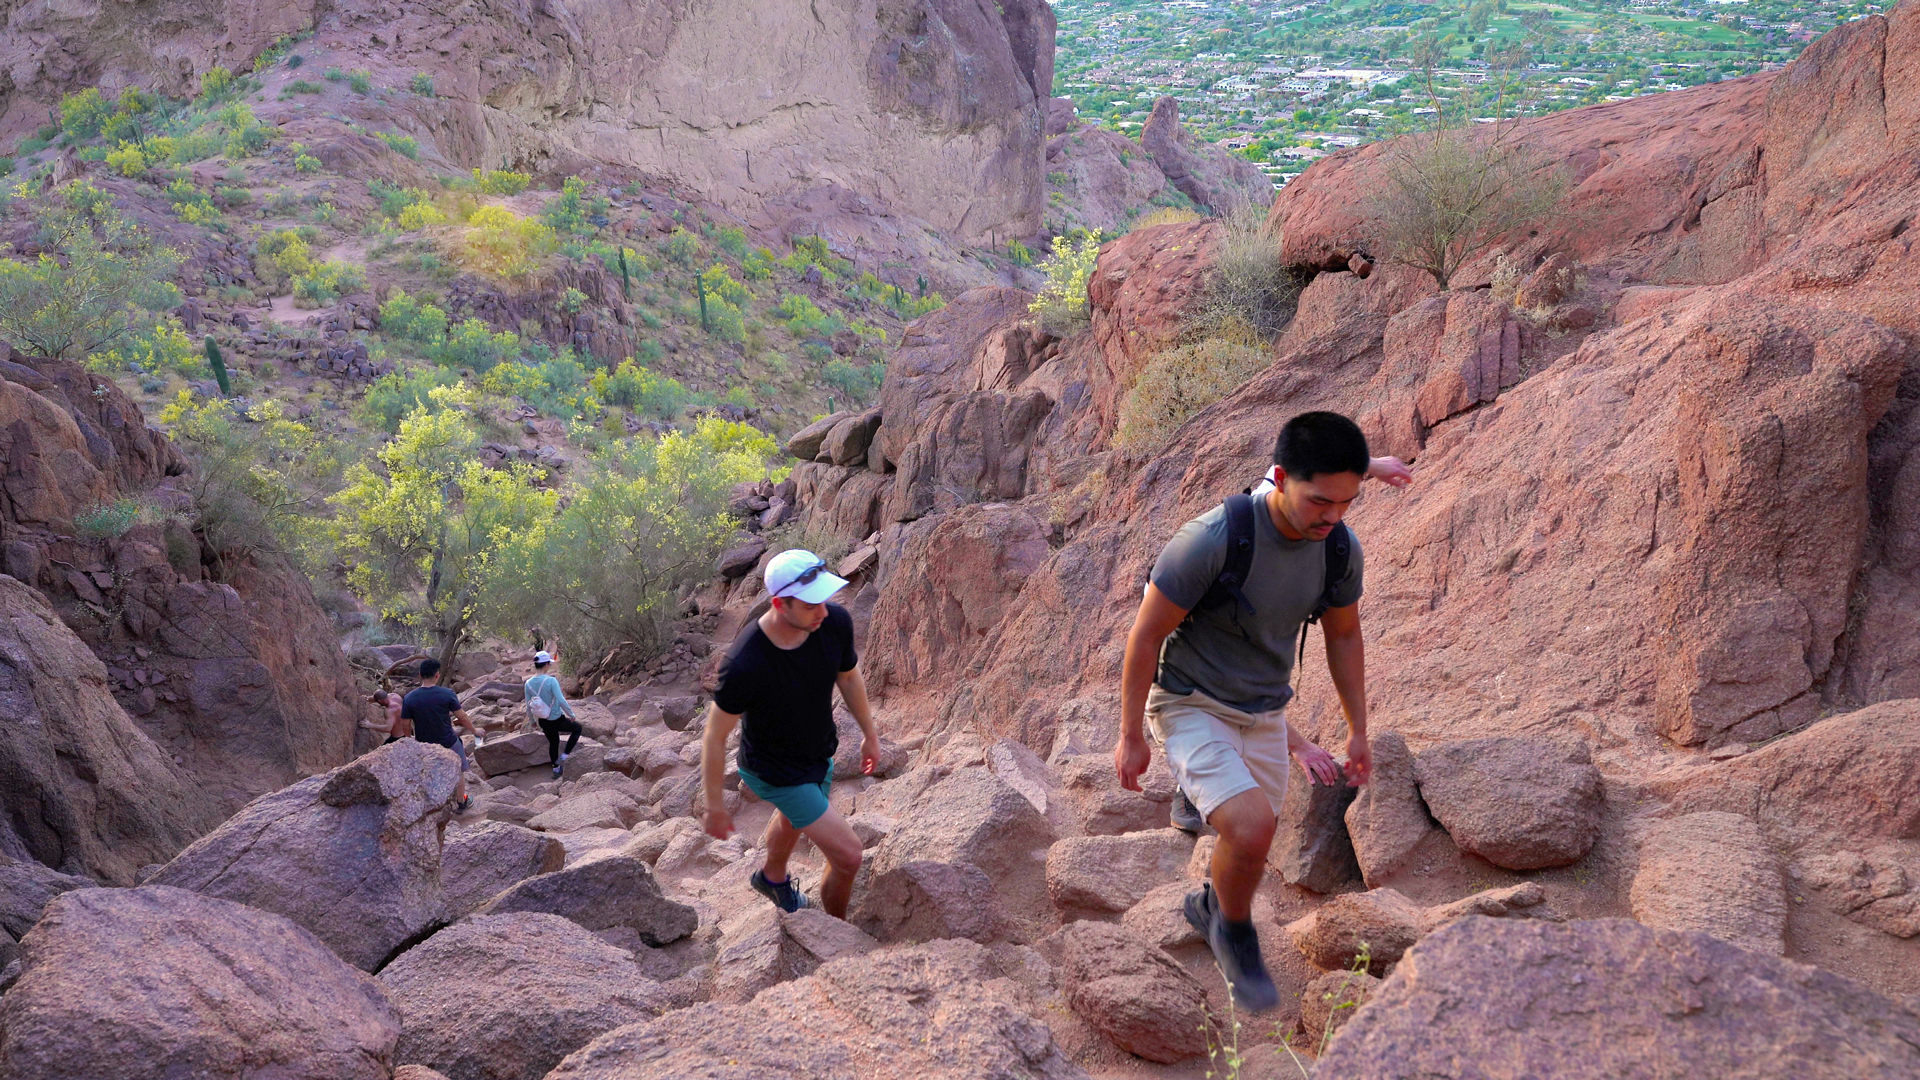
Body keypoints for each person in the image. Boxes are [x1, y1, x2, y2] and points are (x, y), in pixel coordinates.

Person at [1113, 411, 1381, 1011]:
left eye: (1346, 503)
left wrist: (1359, 728)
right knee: (1251, 824)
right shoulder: (1211, 539)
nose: (1332, 517)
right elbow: (1145, 635)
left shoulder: (1337, 548)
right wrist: (1131, 733)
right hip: (1188, 700)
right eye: (1319, 501)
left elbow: (1343, 637)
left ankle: (1211, 900)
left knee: (1253, 838)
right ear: (1280, 478)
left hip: (1262, 710)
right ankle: (1232, 929)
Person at [701, 548, 880, 919]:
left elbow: (847, 676)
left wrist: (869, 733)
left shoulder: (832, 624)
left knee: (793, 818)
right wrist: (715, 806)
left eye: (825, 599)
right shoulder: (745, 662)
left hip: (818, 752)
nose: (824, 612)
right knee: (848, 856)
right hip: (773, 770)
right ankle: (833, 929)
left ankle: (772, 877)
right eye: (812, 605)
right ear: (781, 604)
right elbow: (715, 737)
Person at [403, 658, 481, 811]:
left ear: (420, 675)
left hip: (424, 744)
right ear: (437, 675)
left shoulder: (409, 698)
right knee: (459, 770)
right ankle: (461, 801)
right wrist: (474, 730)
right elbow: (462, 717)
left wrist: (408, 740)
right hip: (448, 741)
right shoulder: (447, 694)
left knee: (429, 773)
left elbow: (405, 724)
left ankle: (432, 804)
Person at [525, 650, 583, 779]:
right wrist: (571, 714)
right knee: (577, 728)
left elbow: (528, 706)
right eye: (549, 664)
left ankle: (556, 770)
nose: (549, 666)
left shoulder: (528, 683)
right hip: (557, 718)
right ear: (545, 665)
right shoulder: (551, 681)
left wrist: (532, 722)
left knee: (553, 742)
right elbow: (561, 700)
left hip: (543, 720)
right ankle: (564, 756)